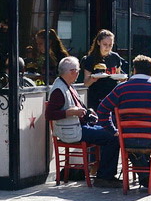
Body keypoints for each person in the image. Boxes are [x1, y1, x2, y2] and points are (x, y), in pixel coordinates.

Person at [96, 55, 151, 187]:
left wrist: (112, 130)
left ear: (134, 70)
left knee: (132, 145)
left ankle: (146, 176)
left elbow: (102, 109)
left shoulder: (120, 89)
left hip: (127, 139)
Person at [45, 56, 121, 188]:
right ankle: (104, 176)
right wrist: (70, 112)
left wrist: (87, 112)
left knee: (111, 130)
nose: (78, 73)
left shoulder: (67, 85)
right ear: (71, 71)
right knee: (112, 137)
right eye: (78, 71)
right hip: (72, 130)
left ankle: (104, 172)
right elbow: (49, 114)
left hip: (79, 126)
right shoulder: (59, 89)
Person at [81, 30, 128, 110]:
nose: (108, 47)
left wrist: (122, 80)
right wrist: (93, 79)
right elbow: (86, 83)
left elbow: (118, 75)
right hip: (96, 97)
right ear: (98, 43)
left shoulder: (115, 57)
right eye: (105, 44)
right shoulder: (90, 59)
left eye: (110, 45)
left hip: (112, 96)